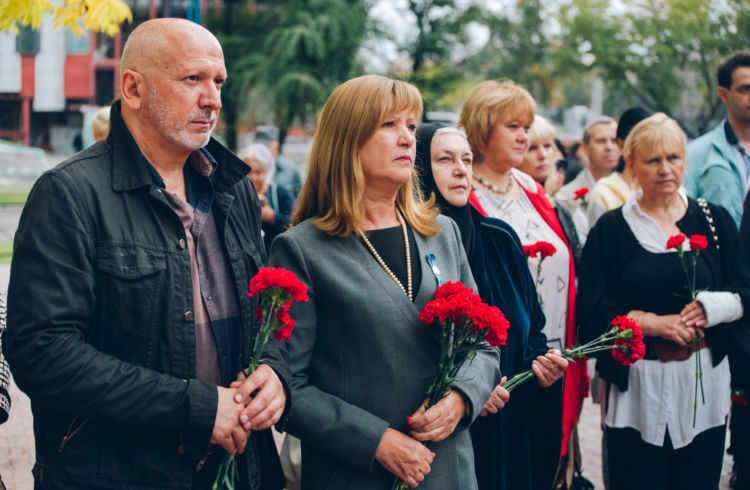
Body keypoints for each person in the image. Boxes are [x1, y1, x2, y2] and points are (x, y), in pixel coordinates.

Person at [3, 19, 289, 490]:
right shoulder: (69, 194)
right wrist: (193, 407)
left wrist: (275, 373)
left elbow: (264, 307)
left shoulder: (234, 188)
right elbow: (42, 352)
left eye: (218, 81)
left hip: (241, 466)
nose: (214, 99)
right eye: (192, 79)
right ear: (133, 88)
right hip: (119, 471)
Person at [269, 74, 501, 489]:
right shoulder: (301, 248)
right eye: (389, 125)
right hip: (359, 475)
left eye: (411, 126)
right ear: (347, 140)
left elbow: (481, 345)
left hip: (449, 470)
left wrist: (463, 398)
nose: (408, 139)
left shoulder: (442, 232)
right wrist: (376, 441)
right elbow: (289, 386)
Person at [578, 113, 750, 490]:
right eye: (653, 160)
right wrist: (648, 323)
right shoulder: (612, 229)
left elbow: (744, 290)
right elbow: (590, 311)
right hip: (637, 391)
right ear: (632, 163)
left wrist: (712, 307)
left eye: (673, 158)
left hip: (703, 391)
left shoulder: (713, 220)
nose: (665, 169)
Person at [414, 123, 568, 490]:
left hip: (508, 428)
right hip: (438, 434)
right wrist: (469, 390)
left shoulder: (499, 239)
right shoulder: (407, 246)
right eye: (444, 159)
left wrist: (540, 364)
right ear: (418, 169)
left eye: (466, 159)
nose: (461, 170)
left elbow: (533, 331)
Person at [458, 80, 589, 488]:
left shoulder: (533, 188)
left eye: (527, 126)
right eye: (513, 126)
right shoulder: (461, 195)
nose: (524, 136)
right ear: (482, 129)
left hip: (547, 360)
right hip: (497, 369)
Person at [686, 52, 750, 227]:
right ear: (723, 94)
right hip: (720, 252)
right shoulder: (697, 153)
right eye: (745, 89)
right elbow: (682, 213)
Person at [518, 115, 584, 264]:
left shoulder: (559, 207)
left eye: (547, 146)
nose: (543, 155)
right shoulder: (509, 205)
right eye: (532, 148)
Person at [587, 107, 652, 227]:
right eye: (642, 143)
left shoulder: (670, 189)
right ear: (622, 144)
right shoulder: (604, 193)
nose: (650, 151)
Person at [557, 115, 621, 238]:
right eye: (601, 141)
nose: (609, 147)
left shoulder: (634, 191)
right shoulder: (566, 197)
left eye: (614, 141)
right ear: (585, 148)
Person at [239, 143, 295, 254]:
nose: (253, 177)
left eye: (258, 172)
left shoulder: (281, 194)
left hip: (276, 258)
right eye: (248, 172)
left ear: (267, 172)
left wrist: (272, 217)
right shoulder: (237, 196)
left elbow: (295, 225)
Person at [254, 125, 303, 196]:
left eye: (266, 146)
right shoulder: (249, 171)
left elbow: (301, 198)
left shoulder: (291, 169)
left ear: (277, 147)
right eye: (259, 147)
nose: (262, 151)